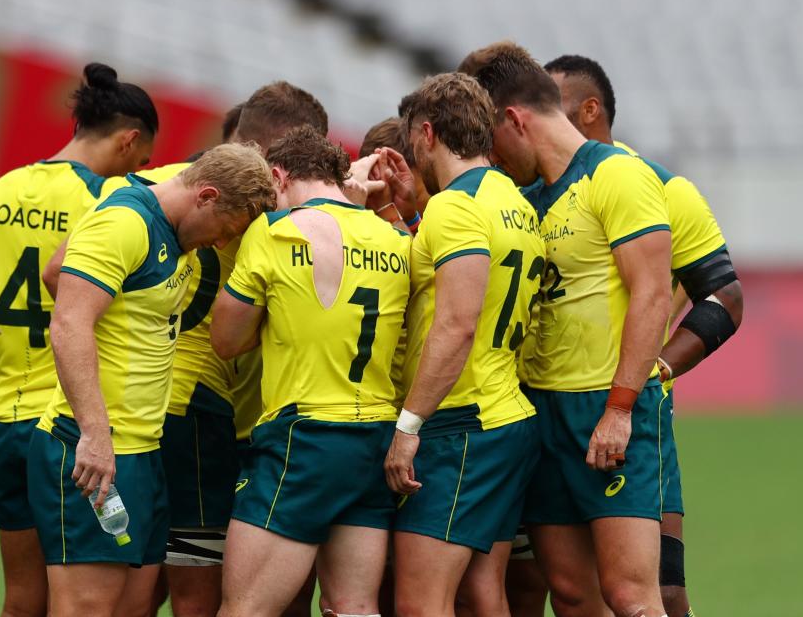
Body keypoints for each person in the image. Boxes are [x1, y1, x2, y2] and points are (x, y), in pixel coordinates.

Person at [462, 41, 674, 617]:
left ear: (513, 119)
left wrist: (621, 408)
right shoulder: (522, 198)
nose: (492, 157)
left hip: (607, 406)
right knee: (575, 596)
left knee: (631, 594)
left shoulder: (619, 176)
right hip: (541, 414)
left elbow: (654, 294)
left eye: (493, 139)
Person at [0, 62, 158, 617]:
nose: (144, 167)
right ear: (131, 139)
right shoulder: (117, 205)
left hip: (7, 421)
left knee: (21, 598)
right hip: (71, 427)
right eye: (144, 156)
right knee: (95, 604)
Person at [27, 145, 275, 617]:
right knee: (86, 607)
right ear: (205, 195)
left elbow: (61, 273)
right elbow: (69, 324)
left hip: (140, 450)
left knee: (130, 605)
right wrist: (96, 434)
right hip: (94, 450)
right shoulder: (126, 222)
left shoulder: (169, 231)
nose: (222, 244)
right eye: (225, 231)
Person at [544, 53, 743, 617]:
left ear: (590, 109)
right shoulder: (536, 190)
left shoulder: (658, 186)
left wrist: (658, 369)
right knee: (573, 592)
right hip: (550, 413)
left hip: (630, 415)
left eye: (552, 108)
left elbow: (726, 298)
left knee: (661, 588)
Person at [210, 126, 411, 617]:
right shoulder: (392, 237)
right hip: (375, 438)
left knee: (244, 609)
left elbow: (226, 340)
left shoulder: (275, 231)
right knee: (354, 609)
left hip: (305, 436)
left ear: (279, 177)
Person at [155, 82, 329, 617]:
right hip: (209, 414)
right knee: (214, 593)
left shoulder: (156, 187)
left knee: (130, 583)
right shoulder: (278, 219)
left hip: (140, 409)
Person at [381, 73, 543, 617]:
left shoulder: (456, 208)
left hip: (462, 422)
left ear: (426, 133)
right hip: (506, 414)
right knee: (480, 592)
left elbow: (457, 325)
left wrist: (408, 428)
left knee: (421, 603)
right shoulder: (513, 201)